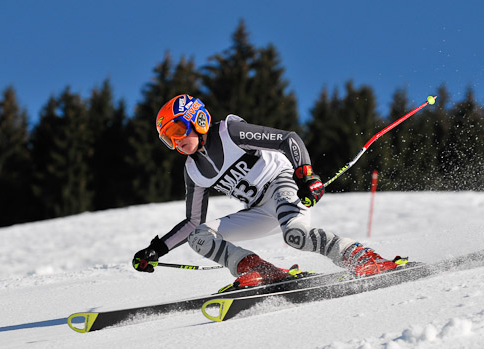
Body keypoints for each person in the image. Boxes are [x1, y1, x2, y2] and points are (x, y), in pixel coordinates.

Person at [132, 94, 406, 290]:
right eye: (168, 138)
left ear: (197, 118)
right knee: (199, 237)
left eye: (178, 130)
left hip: (281, 184)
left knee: (296, 236)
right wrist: (156, 249)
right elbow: (193, 221)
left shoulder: (230, 132)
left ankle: (365, 258)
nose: (177, 141)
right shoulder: (193, 170)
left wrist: (306, 174)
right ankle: (260, 271)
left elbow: (289, 139)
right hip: (258, 211)